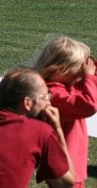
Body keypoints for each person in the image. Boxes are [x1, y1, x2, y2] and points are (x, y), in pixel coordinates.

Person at [34, 35, 97, 188]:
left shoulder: (62, 86)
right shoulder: (54, 94)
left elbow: (84, 89)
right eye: (79, 66)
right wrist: (88, 76)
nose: (82, 71)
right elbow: (89, 105)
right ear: (61, 68)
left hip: (68, 163)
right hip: (65, 164)